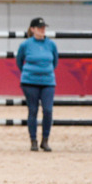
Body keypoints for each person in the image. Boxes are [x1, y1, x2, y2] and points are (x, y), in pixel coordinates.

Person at [15, 17, 58, 152]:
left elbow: (55, 61)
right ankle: (33, 140)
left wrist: (45, 72)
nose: (42, 30)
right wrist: (28, 73)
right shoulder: (25, 45)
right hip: (29, 82)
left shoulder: (51, 45)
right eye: (39, 28)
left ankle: (45, 140)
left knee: (48, 110)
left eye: (44, 27)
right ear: (32, 29)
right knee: (32, 110)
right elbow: (19, 61)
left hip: (48, 82)